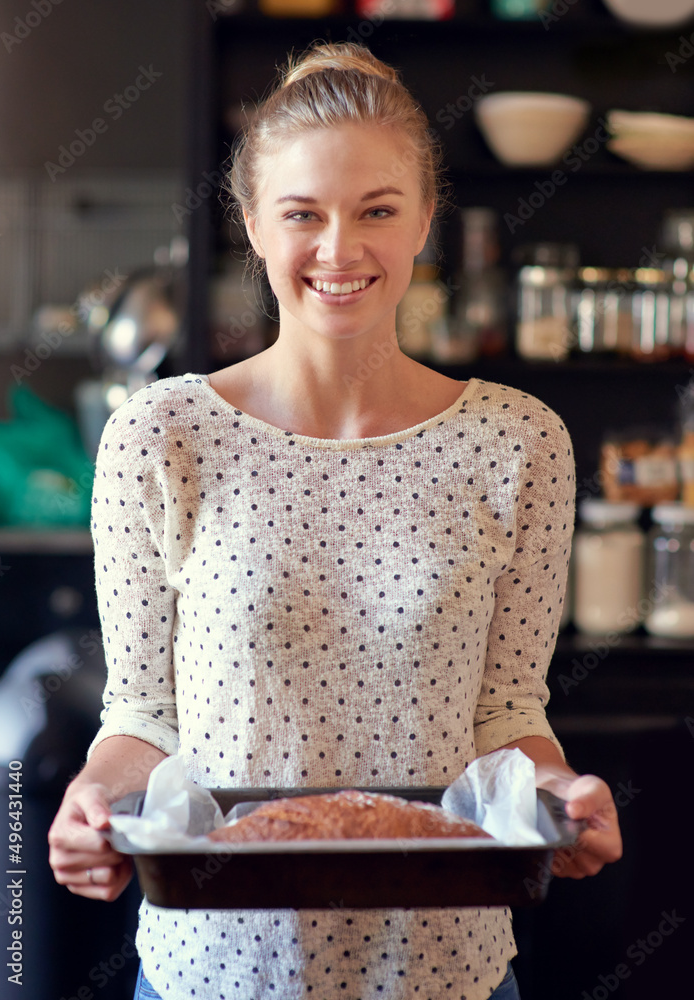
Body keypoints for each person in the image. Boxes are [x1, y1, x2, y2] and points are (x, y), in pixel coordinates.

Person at [48, 41, 622, 1000]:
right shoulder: (161, 435)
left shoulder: (519, 441)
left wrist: (559, 798)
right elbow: (144, 714)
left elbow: (505, 714)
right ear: (252, 226)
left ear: (424, 222)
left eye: (377, 211)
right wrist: (95, 805)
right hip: (217, 969)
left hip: (445, 969)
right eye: (302, 214)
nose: (339, 249)